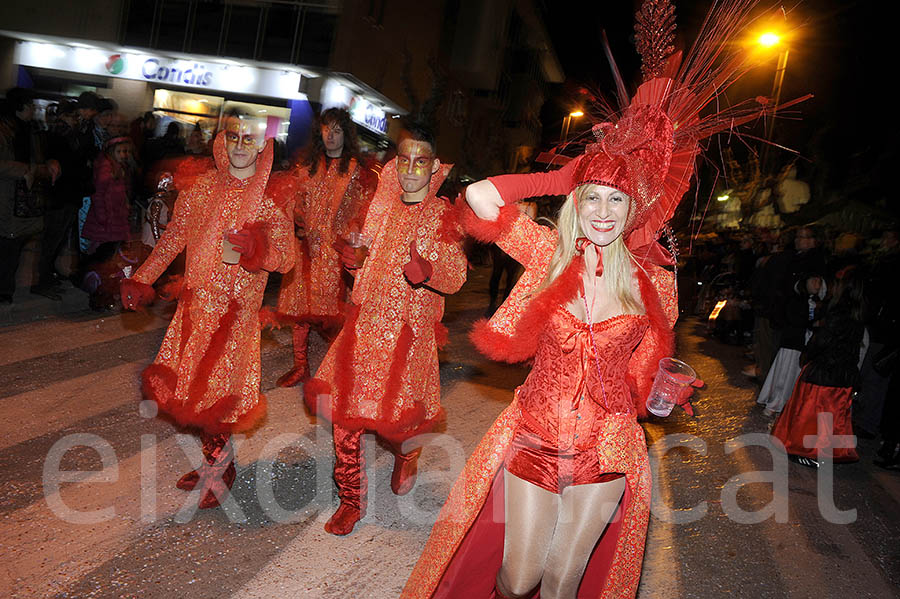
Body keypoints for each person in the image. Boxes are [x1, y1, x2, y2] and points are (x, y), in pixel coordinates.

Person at [402, 1, 807, 596]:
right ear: (576, 204)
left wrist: (663, 387)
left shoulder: (653, 279)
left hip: (610, 444)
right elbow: (483, 197)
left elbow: (654, 365)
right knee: (519, 579)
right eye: (591, 199)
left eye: (616, 201)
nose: (602, 211)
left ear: (633, 210)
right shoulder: (549, 254)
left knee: (565, 580)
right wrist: (567, 176)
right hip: (536, 436)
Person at [120, 113, 293, 509]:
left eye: (249, 139)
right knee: (191, 390)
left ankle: (220, 467)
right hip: (195, 305)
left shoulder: (270, 199)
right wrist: (143, 278)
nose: (239, 145)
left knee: (215, 392)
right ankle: (217, 461)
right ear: (222, 140)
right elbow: (172, 241)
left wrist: (257, 249)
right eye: (233, 137)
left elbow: (285, 260)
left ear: (263, 147)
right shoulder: (199, 190)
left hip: (235, 313)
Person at [303, 123, 467, 535]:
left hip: (407, 338)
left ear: (433, 168)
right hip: (365, 327)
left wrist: (428, 270)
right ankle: (350, 499)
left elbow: (457, 275)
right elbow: (365, 251)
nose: (412, 169)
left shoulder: (442, 217)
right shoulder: (381, 203)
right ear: (397, 163)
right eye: (406, 160)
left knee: (397, 423)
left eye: (421, 161)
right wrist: (353, 260)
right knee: (346, 416)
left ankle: (405, 455)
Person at [267, 107, 376, 386]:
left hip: (336, 255)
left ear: (346, 135)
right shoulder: (306, 168)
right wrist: (295, 216)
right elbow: (291, 202)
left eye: (337, 130)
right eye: (327, 129)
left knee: (335, 318)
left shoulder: (355, 172)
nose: (331, 135)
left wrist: (352, 238)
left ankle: (334, 371)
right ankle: (300, 365)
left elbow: (365, 211)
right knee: (300, 313)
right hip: (306, 252)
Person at [772, 269, 867, 466]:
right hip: (843, 373)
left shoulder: (839, 311)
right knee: (834, 415)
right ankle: (828, 451)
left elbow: (823, 340)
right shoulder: (858, 313)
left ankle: (807, 451)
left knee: (810, 412)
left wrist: (808, 354)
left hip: (826, 371)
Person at [0, 87, 60, 304]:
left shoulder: (31, 131)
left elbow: (39, 160)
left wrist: (47, 165)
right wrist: (25, 169)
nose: (34, 109)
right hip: (6, 196)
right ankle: (4, 289)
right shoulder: (4, 131)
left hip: (24, 200)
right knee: (7, 244)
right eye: (30, 106)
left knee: (13, 245)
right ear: (20, 107)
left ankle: (6, 289)